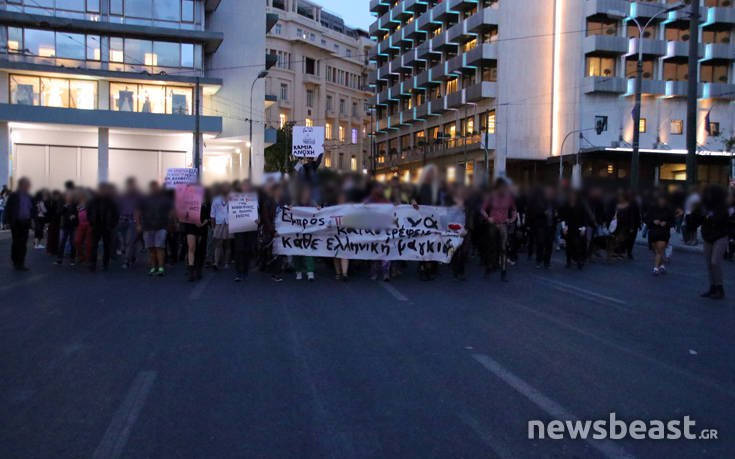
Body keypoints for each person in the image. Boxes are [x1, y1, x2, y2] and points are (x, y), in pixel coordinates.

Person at [480, 178, 517, 281]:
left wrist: (511, 219)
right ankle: (489, 268)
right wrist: (488, 218)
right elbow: (482, 209)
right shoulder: (491, 196)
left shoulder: (509, 197)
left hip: (503, 224)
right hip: (493, 224)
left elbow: (514, 210)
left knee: (503, 248)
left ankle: (503, 272)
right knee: (491, 247)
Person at [699, 185, 729, 300]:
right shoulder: (706, 205)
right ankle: (712, 287)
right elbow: (699, 218)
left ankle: (720, 288)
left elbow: (720, 220)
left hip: (720, 236)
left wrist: (708, 217)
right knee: (709, 263)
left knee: (715, 262)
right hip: (708, 236)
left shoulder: (723, 206)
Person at [138, 181, 172, 276]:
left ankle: (160, 268)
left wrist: (171, 223)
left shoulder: (164, 199)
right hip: (148, 227)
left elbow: (170, 211)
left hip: (161, 226)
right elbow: (138, 211)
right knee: (151, 249)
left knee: (160, 247)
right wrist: (138, 224)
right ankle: (153, 267)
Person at [87, 183, 120, 271]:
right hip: (96, 225)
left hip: (107, 226)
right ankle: (93, 263)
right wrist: (91, 222)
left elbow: (116, 214)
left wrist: (112, 224)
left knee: (106, 246)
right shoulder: (93, 201)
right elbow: (88, 212)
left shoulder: (111, 201)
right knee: (94, 245)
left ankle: (105, 263)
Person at [4, 177, 35, 270]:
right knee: (16, 242)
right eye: (26, 184)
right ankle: (15, 261)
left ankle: (21, 262)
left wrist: (33, 219)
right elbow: (8, 208)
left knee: (23, 243)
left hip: (26, 222)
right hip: (16, 222)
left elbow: (32, 208)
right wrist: (7, 221)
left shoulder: (29, 196)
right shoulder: (14, 195)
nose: (28, 186)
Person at [364, 181, 391, 281]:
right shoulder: (369, 200)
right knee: (374, 251)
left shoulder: (386, 201)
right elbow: (362, 208)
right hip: (373, 229)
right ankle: (374, 272)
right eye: (377, 188)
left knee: (385, 251)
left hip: (384, 229)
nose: (379, 190)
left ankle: (386, 273)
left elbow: (393, 211)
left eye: (380, 189)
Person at [232, 182, 258, 282]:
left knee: (247, 249)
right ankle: (238, 272)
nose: (245, 187)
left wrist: (257, 219)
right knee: (239, 249)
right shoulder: (235, 197)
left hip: (250, 226)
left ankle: (245, 271)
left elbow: (256, 210)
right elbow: (232, 211)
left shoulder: (253, 197)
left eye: (247, 186)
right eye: (244, 185)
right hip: (238, 227)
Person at [183, 187, 211, 282]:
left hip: (201, 227)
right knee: (191, 247)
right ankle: (191, 271)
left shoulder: (206, 201)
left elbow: (208, 216)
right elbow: (184, 215)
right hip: (190, 226)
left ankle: (198, 269)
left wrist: (202, 223)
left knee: (200, 249)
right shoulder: (187, 201)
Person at [559, 189, 590, 270]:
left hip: (578, 227)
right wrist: (564, 227)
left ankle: (579, 261)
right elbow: (562, 216)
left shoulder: (581, 205)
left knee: (578, 245)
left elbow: (584, 217)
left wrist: (583, 228)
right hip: (568, 228)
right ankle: (568, 261)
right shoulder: (566, 204)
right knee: (568, 245)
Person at [527, 186, 557, 269]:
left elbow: (558, 211)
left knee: (549, 245)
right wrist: (543, 212)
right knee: (540, 243)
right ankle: (539, 260)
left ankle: (547, 261)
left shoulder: (554, 202)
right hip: (541, 226)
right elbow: (534, 212)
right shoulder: (540, 202)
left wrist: (556, 215)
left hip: (551, 226)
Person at [646, 192, 675, 276]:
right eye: (660, 200)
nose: (662, 201)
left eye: (663, 200)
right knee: (655, 250)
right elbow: (646, 219)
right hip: (653, 232)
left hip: (663, 232)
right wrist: (653, 221)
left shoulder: (669, 210)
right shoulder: (652, 208)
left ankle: (655, 269)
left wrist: (666, 223)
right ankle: (662, 265)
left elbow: (673, 222)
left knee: (659, 250)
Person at [117, 177, 142, 269]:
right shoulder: (122, 195)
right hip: (122, 220)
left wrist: (138, 223)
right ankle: (132, 256)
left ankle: (126, 260)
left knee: (129, 241)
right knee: (126, 242)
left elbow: (138, 210)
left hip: (132, 221)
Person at [293, 185, 316, 281]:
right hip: (297, 231)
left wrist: (319, 209)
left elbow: (319, 211)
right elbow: (289, 211)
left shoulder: (312, 202)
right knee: (297, 252)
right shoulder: (295, 203)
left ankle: (310, 272)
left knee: (309, 251)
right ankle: (298, 271)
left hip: (308, 231)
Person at [55, 190, 78, 265]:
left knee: (73, 243)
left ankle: (72, 259)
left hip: (73, 225)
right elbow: (59, 212)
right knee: (62, 242)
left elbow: (78, 213)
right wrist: (65, 206)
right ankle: (59, 259)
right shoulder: (62, 203)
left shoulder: (75, 204)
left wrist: (74, 216)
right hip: (64, 225)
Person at [74, 189, 93, 265]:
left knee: (88, 243)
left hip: (89, 224)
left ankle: (88, 258)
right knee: (77, 241)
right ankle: (81, 256)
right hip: (80, 224)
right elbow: (74, 211)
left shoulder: (91, 203)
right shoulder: (78, 203)